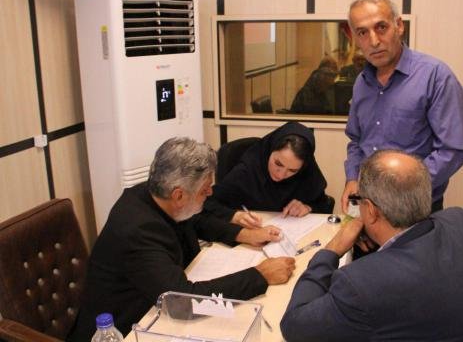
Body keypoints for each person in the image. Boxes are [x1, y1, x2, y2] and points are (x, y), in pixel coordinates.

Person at [67, 137, 295, 341]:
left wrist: (244, 234)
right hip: (124, 329)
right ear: (179, 195)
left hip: (154, 311)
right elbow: (181, 302)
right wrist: (259, 275)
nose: (210, 193)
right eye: (205, 190)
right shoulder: (137, 231)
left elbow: (196, 220)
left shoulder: (156, 193)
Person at [280, 150, 463, 341]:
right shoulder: (461, 221)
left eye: (359, 199)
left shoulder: (361, 284)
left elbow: (294, 326)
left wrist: (331, 250)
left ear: (371, 210)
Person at [342, 0, 463, 214]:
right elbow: (356, 141)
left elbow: (451, 152)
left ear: (399, 26)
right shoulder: (361, 82)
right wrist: (352, 177)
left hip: (414, 208)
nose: (374, 41)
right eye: (362, 32)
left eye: (381, 27)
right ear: (355, 38)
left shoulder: (436, 76)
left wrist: (400, 192)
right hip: (369, 205)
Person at [203, 121, 331, 229]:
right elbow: (206, 202)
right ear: (270, 149)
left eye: (292, 171)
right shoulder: (248, 170)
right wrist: (235, 216)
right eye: (278, 164)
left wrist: (307, 207)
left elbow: (324, 204)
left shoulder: (307, 173)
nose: (281, 175)